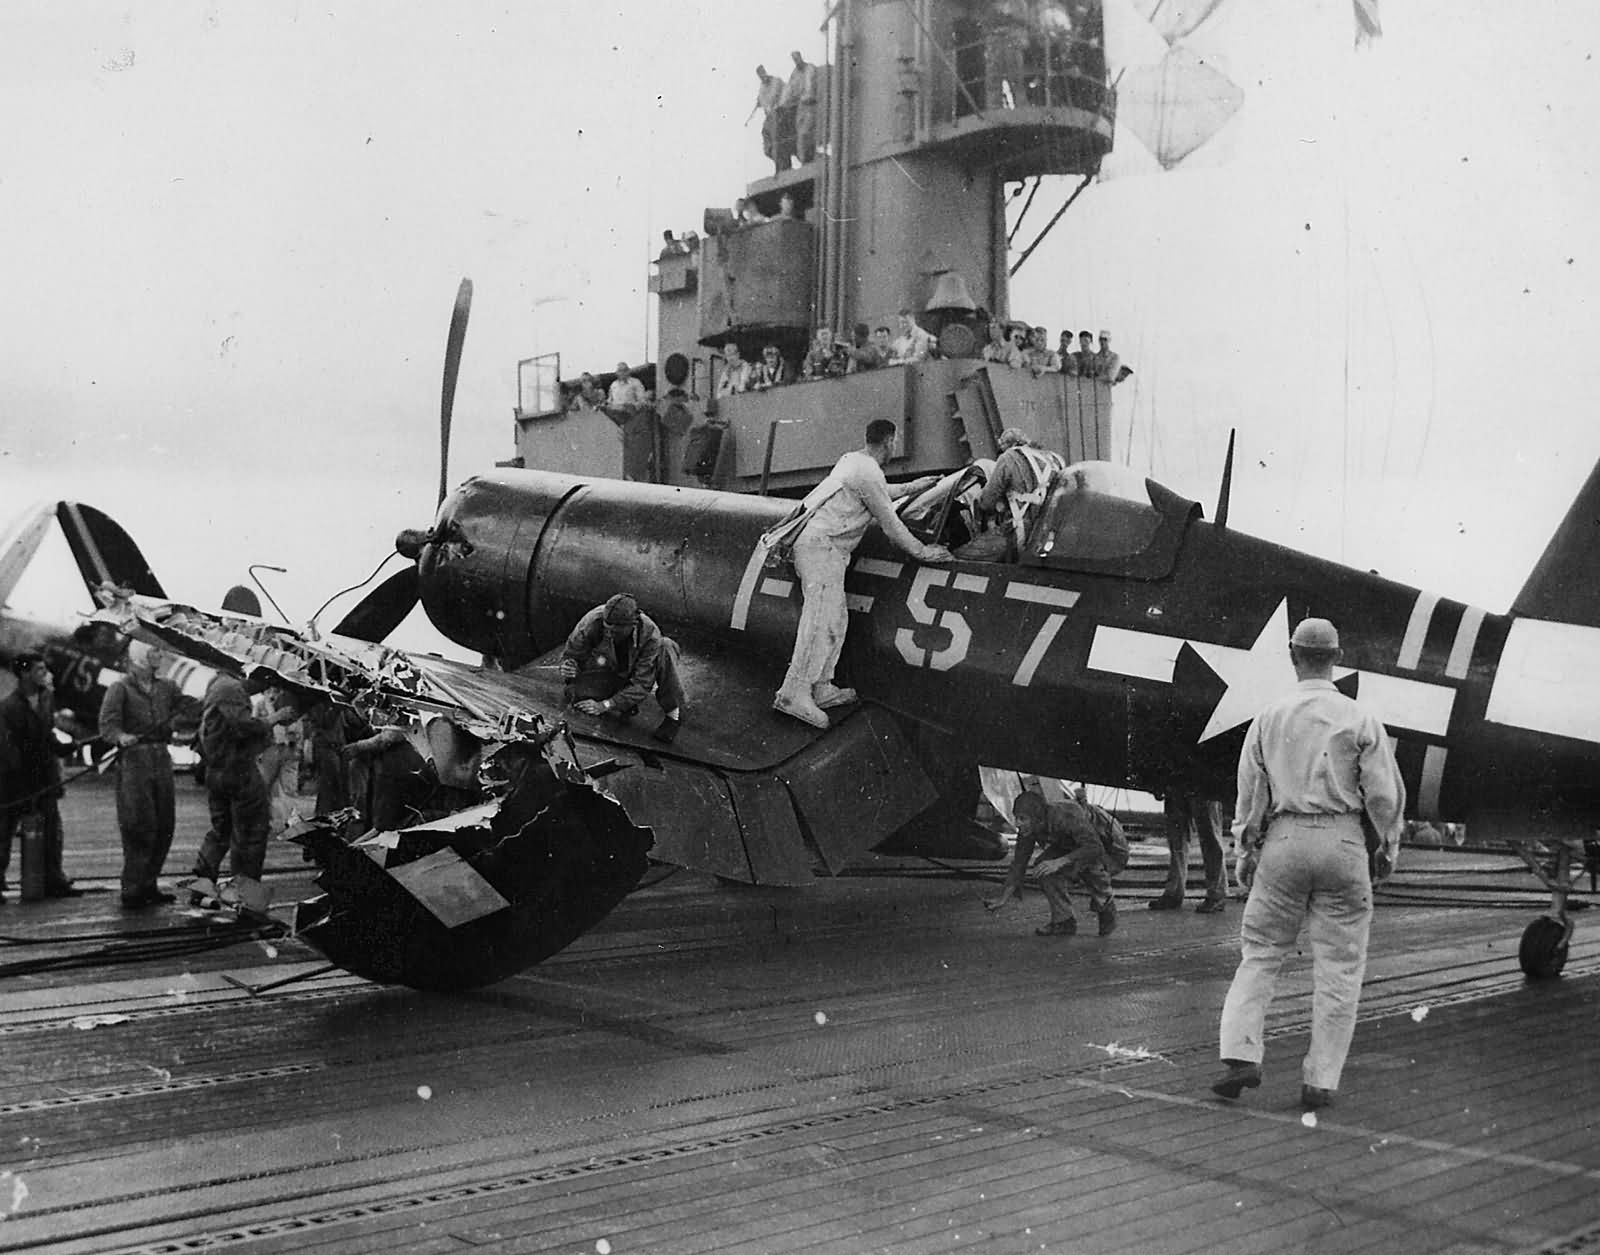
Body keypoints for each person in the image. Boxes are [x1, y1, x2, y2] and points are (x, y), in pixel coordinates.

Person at [1213, 617, 1406, 1111]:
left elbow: (1250, 793)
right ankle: (1320, 1079)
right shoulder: (1360, 718)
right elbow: (1384, 795)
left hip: (1285, 839)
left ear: (1293, 656)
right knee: (1339, 966)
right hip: (1343, 842)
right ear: (1337, 658)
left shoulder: (1268, 718)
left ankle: (1241, 1054)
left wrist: (1244, 851)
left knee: (1261, 953)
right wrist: (1387, 848)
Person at [774, 420, 950, 728]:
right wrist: (924, 552)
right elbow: (891, 524)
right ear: (890, 441)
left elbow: (877, 491)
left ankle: (822, 686)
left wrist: (913, 486)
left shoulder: (854, 461)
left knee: (836, 618)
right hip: (822, 548)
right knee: (820, 620)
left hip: (823, 548)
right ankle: (792, 692)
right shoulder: (867, 471)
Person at [189, 668, 297, 912]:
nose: (265, 688)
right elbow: (242, 726)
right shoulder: (231, 689)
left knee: (221, 831)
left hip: (217, 770)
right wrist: (274, 718)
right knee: (251, 835)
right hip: (238, 771)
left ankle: (201, 888)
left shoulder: (218, 683)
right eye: (266, 681)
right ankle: (245, 900)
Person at [98, 644, 180, 908]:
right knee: (138, 825)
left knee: (165, 824)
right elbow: (107, 725)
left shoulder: (168, 687)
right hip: (135, 761)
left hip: (161, 757)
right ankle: (133, 888)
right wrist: (121, 737)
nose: (160, 655)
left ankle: (149, 884)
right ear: (140, 655)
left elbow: (190, 708)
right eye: (154, 651)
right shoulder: (119, 688)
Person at [984, 789, 1118, 937]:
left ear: (1037, 818)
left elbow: (1095, 847)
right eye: (1016, 818)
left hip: (1109, 846)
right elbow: (1019, 864)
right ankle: (1064, 921)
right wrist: (1003, 898)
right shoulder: (1030, 828)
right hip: (1071, 845)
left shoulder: (1065, 816)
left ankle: (1106, 903)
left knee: (1090, 867)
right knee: (1044, 867)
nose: (1017, 824)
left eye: (1022, 818)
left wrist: (1060, 862)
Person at [0, 652, 77, 900]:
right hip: (16, 781)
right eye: (40, 670)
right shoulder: (8, 707)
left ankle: (53, 880)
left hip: (44, 777)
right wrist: (19, 777)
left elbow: (46, 733)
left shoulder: (46, 698)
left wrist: (62, 747)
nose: (46, 674)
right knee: (4, 833)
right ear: (25, 674)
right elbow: (7, 748)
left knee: (52, 831)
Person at [560, 593, 686, 744]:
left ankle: (673, 714)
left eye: (615, 631)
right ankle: (625, 701)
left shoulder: (651, 634)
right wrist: (568, 666)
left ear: (633, 625)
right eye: (607, 628)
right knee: (574, 693)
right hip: (610, 669)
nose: (609, 634)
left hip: (635, 674)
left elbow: (642, 684)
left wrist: (605, 705)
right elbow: (571, 653)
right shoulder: (592, 621)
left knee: (666, 647)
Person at [975, 427, 1066, 559]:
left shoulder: (1009, 457)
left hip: (1020, 532)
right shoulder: (1055, 459)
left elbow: (987, 501)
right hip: (1049, 533)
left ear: (1007, 445)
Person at [1149, 790, 1228, 914]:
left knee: (1209, 836)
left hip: (1203, 785)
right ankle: (1174, 892)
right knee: (1177, 838)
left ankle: (1217, 894)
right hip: (1177, 786)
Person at [784, 51, 819, 164]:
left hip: (812, 105)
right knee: (800, 134)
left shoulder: (810, 69)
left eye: (797, 58)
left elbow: (813, 86)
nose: (796, 61)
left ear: (800, 57)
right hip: (801, 106)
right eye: (794, 59)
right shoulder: (794, 75)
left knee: (806, 132)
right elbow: (789, 91)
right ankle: (804, 159)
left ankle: (810, 157)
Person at [750, 63, 785, 170]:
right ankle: (775, 157)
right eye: (760, 75)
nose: (762, 76)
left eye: (762, 73)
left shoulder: (776, 81)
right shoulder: (762, 87)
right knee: (765, 134)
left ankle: (780, 163)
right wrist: (760, 102)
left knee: (775, 134)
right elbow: (762, 100)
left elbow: (778, 95)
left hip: (780, 111)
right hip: (770, 115)